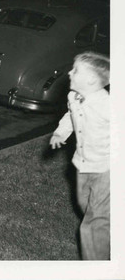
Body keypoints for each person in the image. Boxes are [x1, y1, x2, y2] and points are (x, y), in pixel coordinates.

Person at [50, 51, 110, 260]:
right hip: (82, 165)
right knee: (84, 204)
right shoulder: (72, 96)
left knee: (95, 222)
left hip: (107, 168)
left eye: (75, 70)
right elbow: (70, 116)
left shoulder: (107, 105)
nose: (69, 72)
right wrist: (60, 132)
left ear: (92, 80)